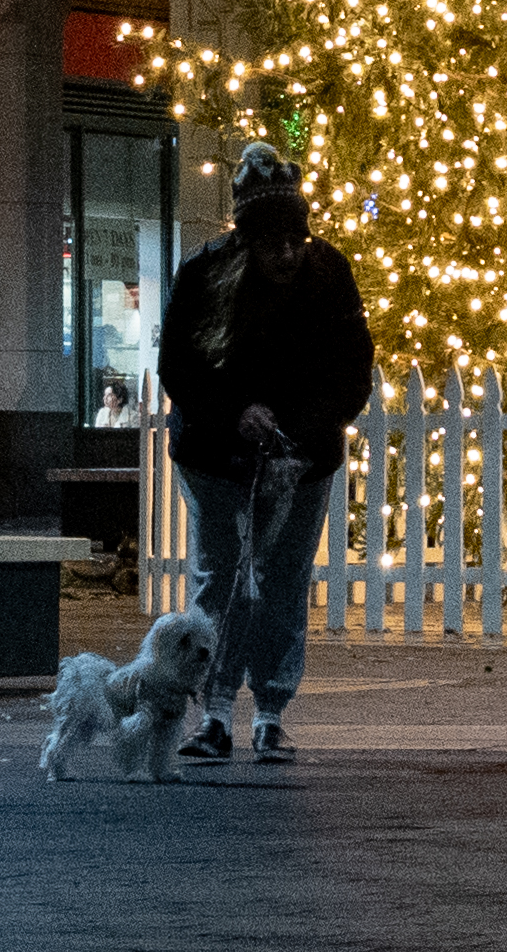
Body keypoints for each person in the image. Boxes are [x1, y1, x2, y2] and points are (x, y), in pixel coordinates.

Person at [155, 146, 376, 767]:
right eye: (271, 241)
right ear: (247, 239)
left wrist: (301, 431)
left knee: (283, 581)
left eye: (294, 239)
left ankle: (271, 712)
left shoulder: (330, 274)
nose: (285, 253)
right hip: (216, 454)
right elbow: (181, 365)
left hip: (303, 458)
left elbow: (352, 368)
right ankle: (216, 712)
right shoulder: (206, 276)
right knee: (222, 578)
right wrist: (236, 416)